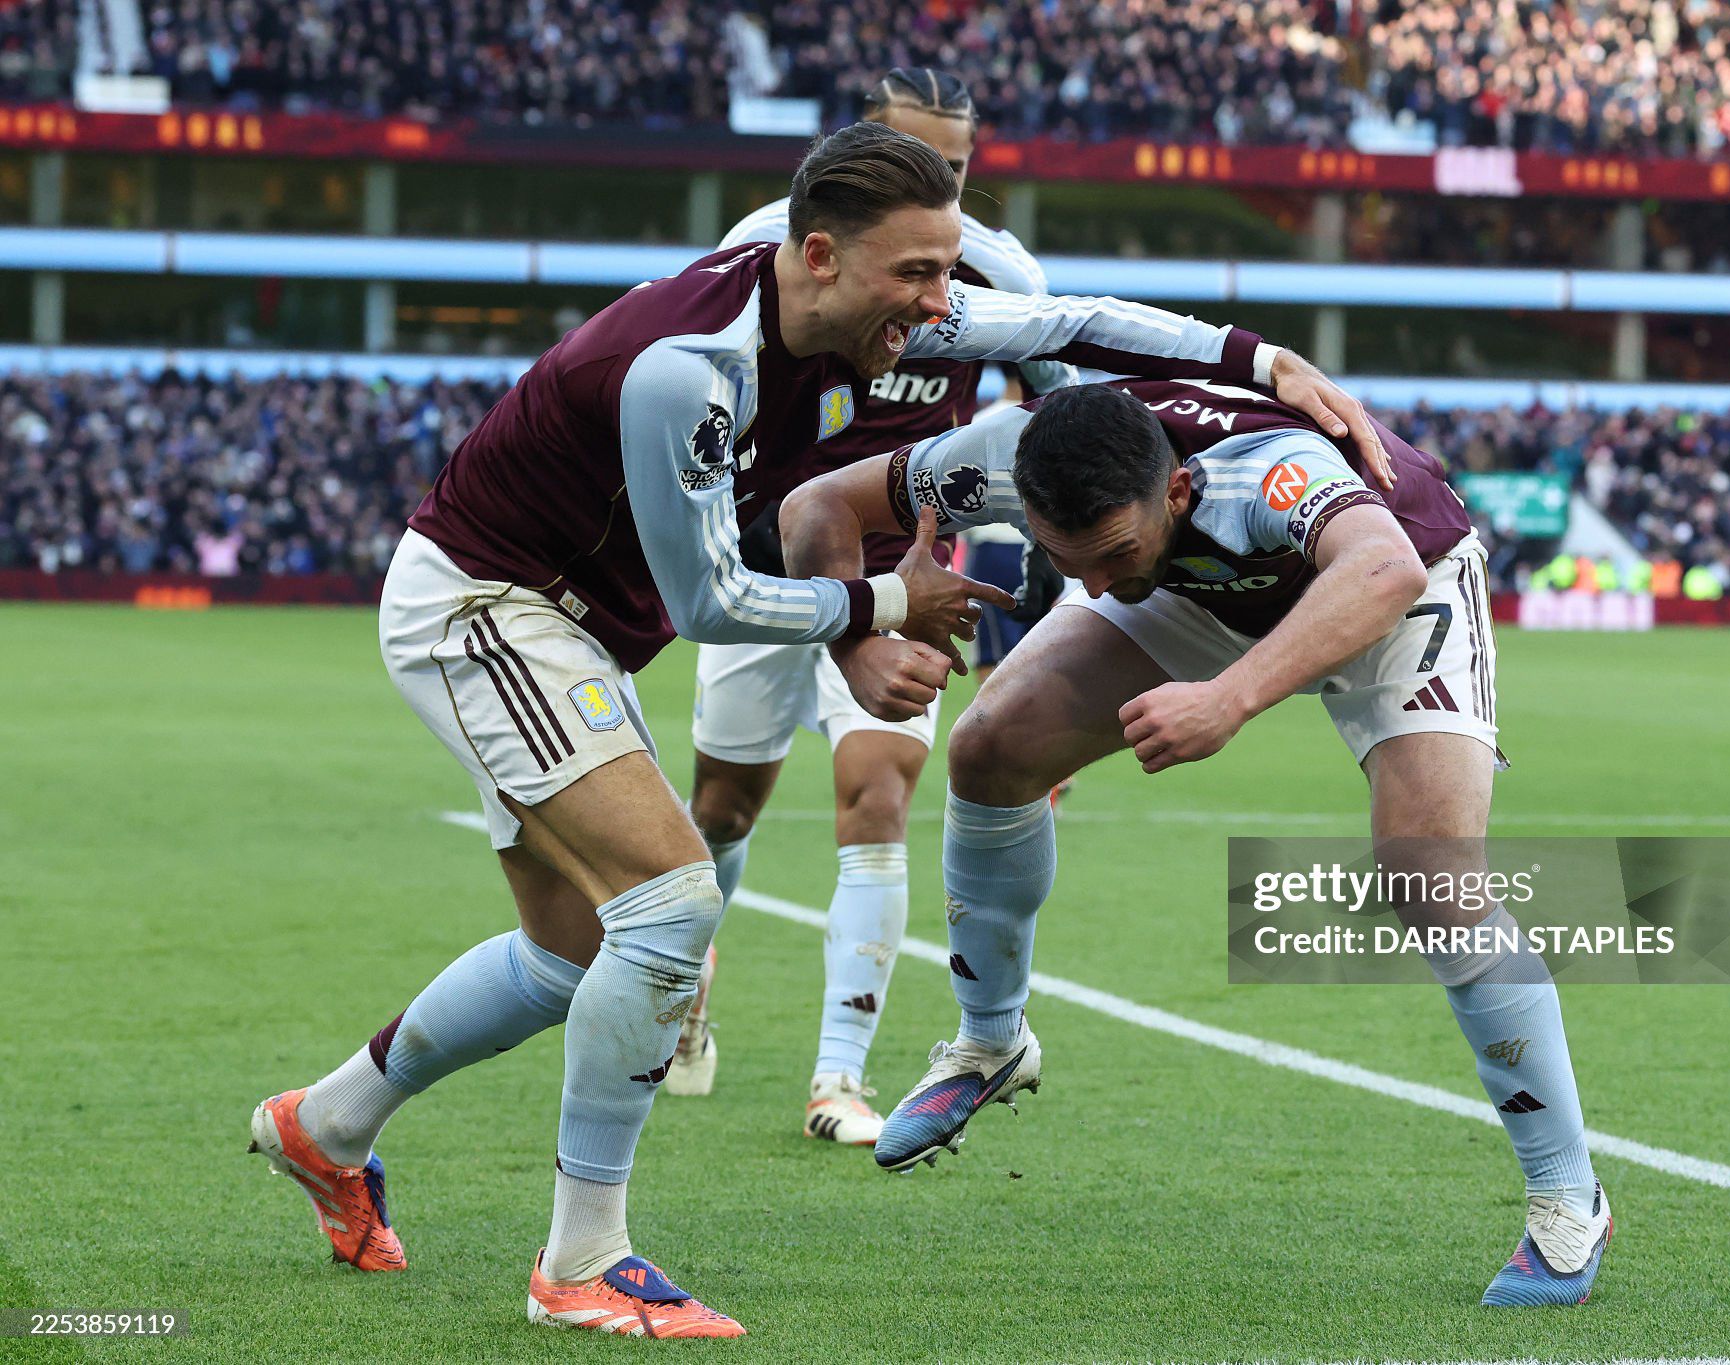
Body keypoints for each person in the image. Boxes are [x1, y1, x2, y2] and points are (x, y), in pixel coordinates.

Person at [246, 119, 1384, 1341]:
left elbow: (1061, 324)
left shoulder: (872, 313)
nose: (941, 305)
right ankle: (581, 1262)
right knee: (673, 901)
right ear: (823, 254)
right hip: (487, 609)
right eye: (916, 275)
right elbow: (708, 603)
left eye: (948, 271)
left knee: (568, 952)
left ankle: (329, 1125)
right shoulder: (691, 365)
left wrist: (1261, 360)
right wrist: (888, 603)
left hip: (570, 630)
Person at [781, 380, 1612, 1307]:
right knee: (988, 746)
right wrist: (857, 642)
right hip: (1195, 586)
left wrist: (1229, 698)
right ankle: (989, 1043)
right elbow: (815, 506)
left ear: (1175, 490)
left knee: (1430, 871)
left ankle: (1567, 1195)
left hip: (1393, 584)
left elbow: (1384, 572)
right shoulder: (999, 459)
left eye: (1109, 554)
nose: (1090, 585)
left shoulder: (1263, 470)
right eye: (1067, 562)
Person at [669, 67, 1079, 1148]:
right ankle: (684, 991)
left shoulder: (996, 274)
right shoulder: (767, 244)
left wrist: (1039, 638)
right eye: (915, 157)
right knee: (721, 811)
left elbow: (1062, 435)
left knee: (879, 801)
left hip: (905, 577)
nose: (937, 181)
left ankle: (836, 1080)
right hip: (767, 569)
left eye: (954, 166)